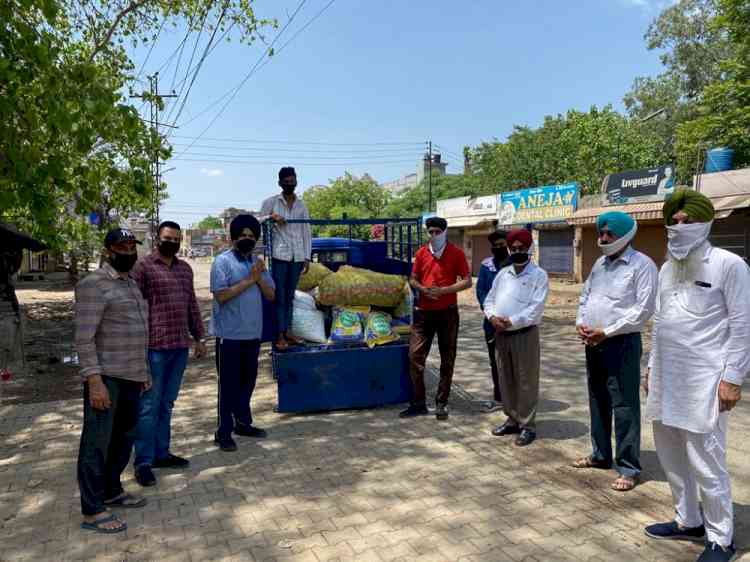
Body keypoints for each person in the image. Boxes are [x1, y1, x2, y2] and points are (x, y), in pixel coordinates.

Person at [643, 190, 750, 562]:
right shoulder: (667, 268)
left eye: (688, 220)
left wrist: (733, 378)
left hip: (706, 381)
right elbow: (661, 323)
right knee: (671, 455)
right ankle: (687, 520)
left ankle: (721, 538)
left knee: (707, 460)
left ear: (706, 223)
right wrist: (651, 368)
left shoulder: (729, 264)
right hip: (667, 379)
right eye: (674, 220)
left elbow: (742, 324)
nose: (679, 226)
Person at [573, 211, 657, 492]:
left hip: (621, 344)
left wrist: (607, 331)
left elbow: (643, 309)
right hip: (593, 342)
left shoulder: (641, 265)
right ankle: (600, 455)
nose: (604, 238)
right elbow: (586, 297)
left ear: (625, 236)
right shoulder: (599, 264)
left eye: (610, 233)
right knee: (597, 399)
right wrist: (581, 324)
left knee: (624, 406)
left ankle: (628, 467)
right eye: (602, 233)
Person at [75, 228, 150, 534]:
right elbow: (84, 339)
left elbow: (138, 330)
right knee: (96, 444)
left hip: (132, 376)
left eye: (133, 245)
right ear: (108, 251)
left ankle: (111, 490)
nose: (129, 251)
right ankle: (92, 510)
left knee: (123, 440)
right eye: (123, 246)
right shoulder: (93, 285)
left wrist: (143, 371)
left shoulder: (130, 282)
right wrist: (95, 381)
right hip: (107, 379)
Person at [130, 221, 207, 487]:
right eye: (167, 238)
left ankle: (162, 453)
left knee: (167, 404)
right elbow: (134, 309)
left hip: (178, 348)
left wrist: (199, 336)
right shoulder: (143, 267)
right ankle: (143, 462)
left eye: (176, 239)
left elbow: (191, 305)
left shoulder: (185, 269)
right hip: (153, 349)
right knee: (148, 407)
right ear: (157, 238)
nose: (172, 242)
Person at [210, 214, 275, 452]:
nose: (247, 239)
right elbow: (222, 295)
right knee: (227, 386)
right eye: (243, 235)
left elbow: (271, 295)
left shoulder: (257, 263)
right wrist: (250, 280)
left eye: (251, 235)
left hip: (252, 335)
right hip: (229, 336)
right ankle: (223, 432)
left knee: (248, 383)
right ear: (234, 237)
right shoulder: (222, 262)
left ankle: (243, 424)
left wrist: (258, 278)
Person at [400, 216, 471, 421]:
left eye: (437, 232)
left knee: (447, 358)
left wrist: (444, 290)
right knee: (415, 357)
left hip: (447, 312)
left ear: (444, 232)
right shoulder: (422, 253)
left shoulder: (455, 253)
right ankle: (418, 402)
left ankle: (442, 402)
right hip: (423, 312)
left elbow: (467, 281)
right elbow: (412, 279)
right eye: (430, 232)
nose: (433, 235)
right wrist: (423, 289)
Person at [485, 228, 548, 447]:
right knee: (506, 378)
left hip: (524, 334)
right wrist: (492, 316)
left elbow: (536, 308)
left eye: (522, 248)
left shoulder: (539, 275)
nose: (517, 251)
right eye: (514, 248)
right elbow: (489, 299)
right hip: (501, 333)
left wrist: (512, 321)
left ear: (529, 248)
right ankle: (512, 419)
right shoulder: (503, 274)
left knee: (526, 381)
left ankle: (527, 425)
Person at [260, 167, 312, 351]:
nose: (290, 184)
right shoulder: (271, 202)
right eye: (286, 181)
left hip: (297, 256)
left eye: (293, 180)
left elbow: (307, 231)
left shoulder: (301, 205)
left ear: (296, 181)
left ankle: (288, 331)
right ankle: (279, 335)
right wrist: (271, 217)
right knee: (279, 296)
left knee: (290, 296)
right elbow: (258, 221)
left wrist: (307, 256)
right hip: (279, 255)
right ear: (280, 183)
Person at [475, 230, 510, 405]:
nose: (498, 248)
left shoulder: (515, 264)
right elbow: (480, 290)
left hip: (512, 323)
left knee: (512, 362)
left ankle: (513, 398)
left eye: (502, 245)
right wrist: (490, 315)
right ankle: (499, 397)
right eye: (495, 246)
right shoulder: (486, 265)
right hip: (490, 322)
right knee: (494, 362)